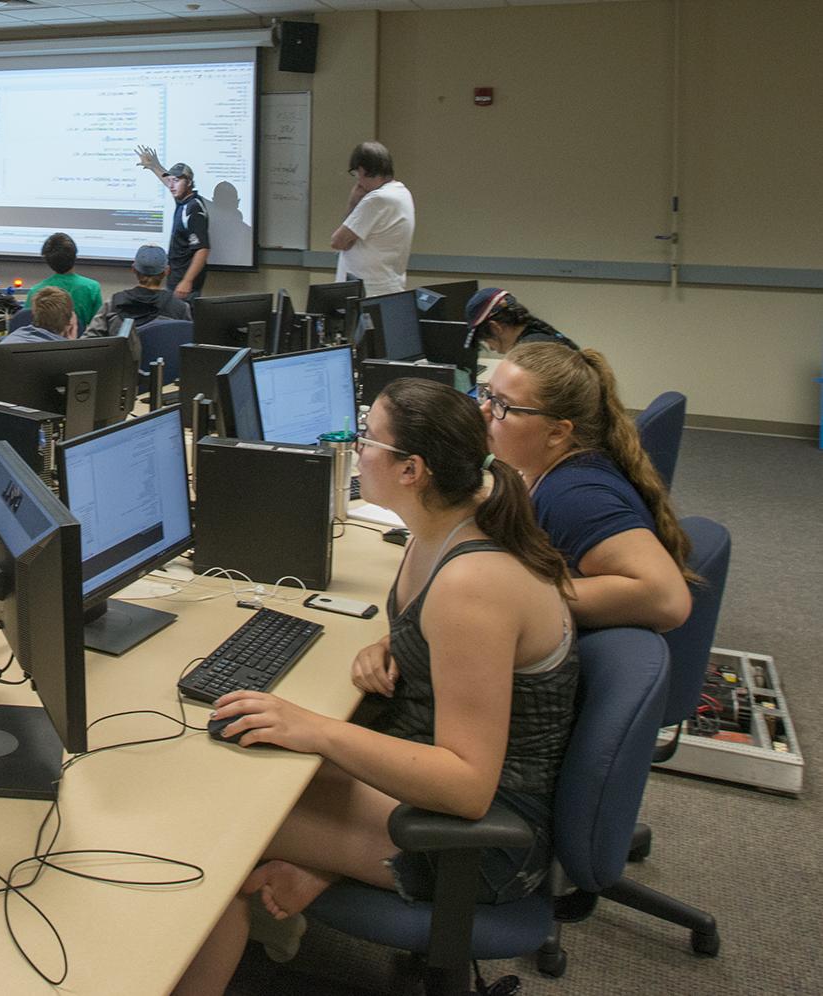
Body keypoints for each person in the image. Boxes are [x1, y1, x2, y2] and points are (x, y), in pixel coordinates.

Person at [176, 380, 578, 996]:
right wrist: (389, 644)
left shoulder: (472, 583)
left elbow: (468, 788)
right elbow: (447, 639)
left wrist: (317, 728)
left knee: (220, 823)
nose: (356, 449)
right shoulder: (448, 521)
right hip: (433, 775)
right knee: (248, 767)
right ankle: (309, 878)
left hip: (485, 841)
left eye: (368, 440)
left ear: (411, 469)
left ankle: (279, 898)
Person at [482, 342, 694, 632]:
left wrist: (518, 594)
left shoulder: (572, 496)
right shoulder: (553, 467)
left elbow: (668, 600)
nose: (484, 412)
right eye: (487, 395)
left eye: (501, 405)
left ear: (557, 432)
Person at [331, 142, 415, 296]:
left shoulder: (376, 200)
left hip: (367, 293)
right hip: (387, 287)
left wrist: (353, 201)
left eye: (356, 174)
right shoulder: (401, 193)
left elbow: (338, 241)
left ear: (362, 170)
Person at [135, 147, 210, 299]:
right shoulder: (184, 199)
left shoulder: (193, 209)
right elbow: (168, 181)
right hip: (175, 277)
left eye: (176, 181)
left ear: (188, 182)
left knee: (182, 320)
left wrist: (187, 281)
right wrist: (153, 166)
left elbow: (202, 249)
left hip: (185, 283)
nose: (171, 185)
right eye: (170, 181)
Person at [84, 244, 190, 336]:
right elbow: (189, 343)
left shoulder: (113, 304)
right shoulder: (180, 308)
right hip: (164, 359)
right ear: (167, 271)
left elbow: (91, 340)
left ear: (133, 269)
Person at [23, 233, 103, 329]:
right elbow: (98, 326)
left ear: (47, 261)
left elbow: (27, 325)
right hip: (79, 342)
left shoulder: (36, 291)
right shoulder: (92, 287)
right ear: (75, 256)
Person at [465, 288, 578, 353]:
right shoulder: (539, 337)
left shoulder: (530, 354)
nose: (491, 348)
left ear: (495, 327)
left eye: (486, 340)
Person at [0, 287, 77, 345]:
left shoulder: (9, 342)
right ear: (70, 321)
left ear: (35, 313)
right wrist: (72, 345)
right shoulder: (65, 355)